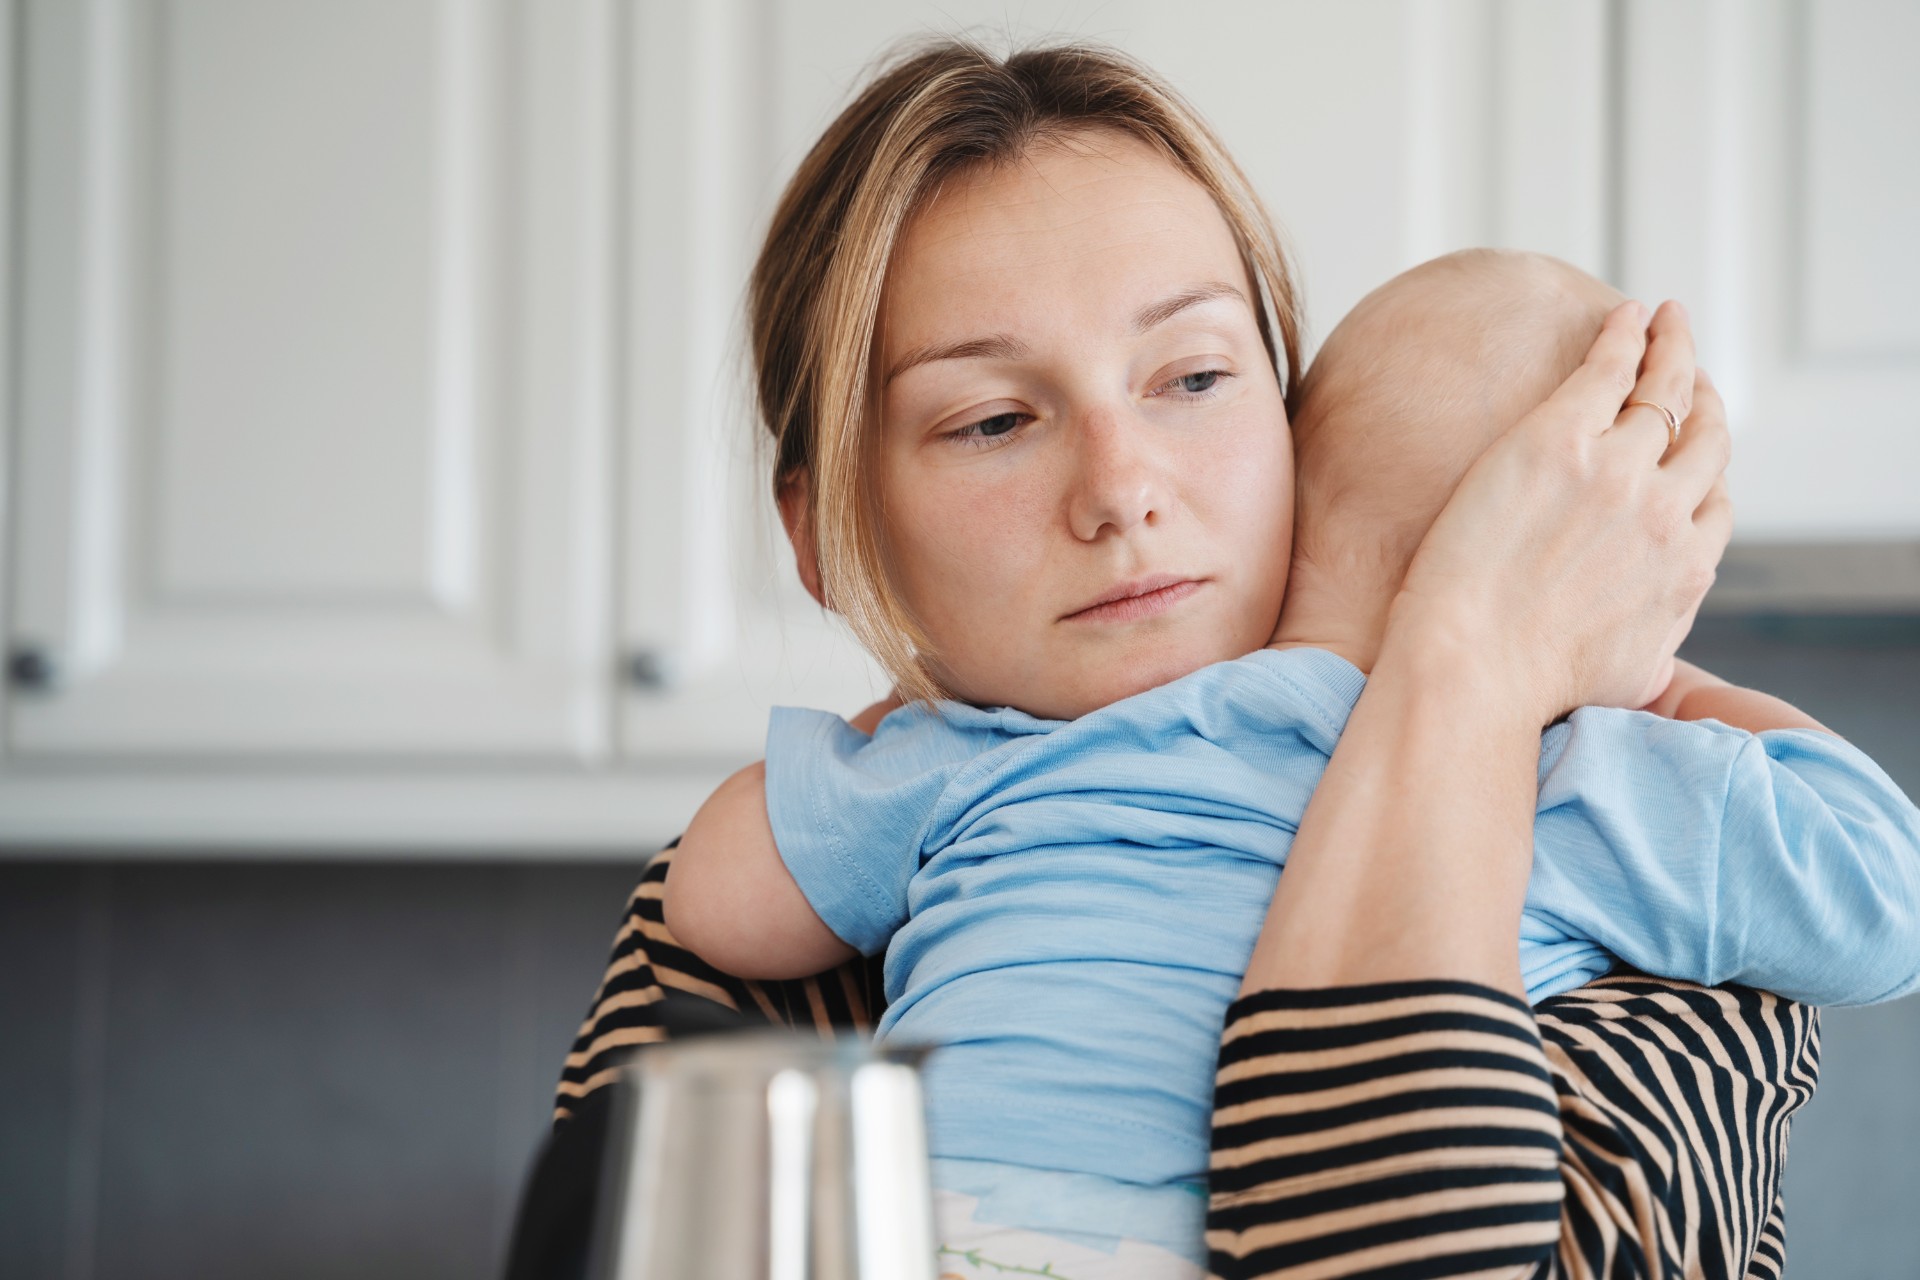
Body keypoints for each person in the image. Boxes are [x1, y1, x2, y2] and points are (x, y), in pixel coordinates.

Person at [538, 39, 1817, 1280]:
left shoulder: (1637, 881)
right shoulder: (788, 909)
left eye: (1194, 375)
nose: (1121, 488)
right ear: (828, 539)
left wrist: (1467, 657)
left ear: (1297, 420)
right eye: (993, 419)